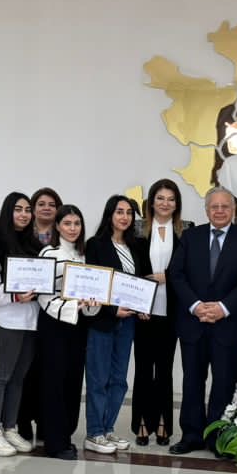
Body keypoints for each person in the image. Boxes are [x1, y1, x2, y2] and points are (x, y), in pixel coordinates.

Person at [169, 187, 237, 454]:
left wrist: (223, 307)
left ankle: (218, 438)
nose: (219, 211)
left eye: (225, 206)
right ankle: (191, 435)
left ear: (233, 210)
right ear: (206, 210)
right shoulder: (190, 237)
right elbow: (176, 274)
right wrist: (195, 306)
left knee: (224, 383)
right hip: (193, 323)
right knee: (192, 382)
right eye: (214, 206)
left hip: (229, 325)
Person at [85, 195, 150, 455]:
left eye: (129, 212)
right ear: (109, 214)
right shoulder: (96, 245)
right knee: (98, 379)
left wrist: (142, 307)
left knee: (119, 380)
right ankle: (94, 433)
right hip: (103, 321)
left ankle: (108, 428)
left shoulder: (137, 246)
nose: (125, 217)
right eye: (119, 211)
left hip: (128, 322)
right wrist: (113, 310)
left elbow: (140, 283)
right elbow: (93, 284)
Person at [0, 191, 40, 456]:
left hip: (30, 321)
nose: (24, 214)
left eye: (27, 209)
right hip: (4, 320)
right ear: (7, 212)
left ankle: (10, 428)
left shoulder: (34, 246)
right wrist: (13, 296)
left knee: (17, 379)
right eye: (18, 209)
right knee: (0, 376)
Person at [37, 205, 97, 459]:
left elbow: (91, 294)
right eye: (67, 223)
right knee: (55, 383)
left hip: (78, 327)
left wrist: (91, 304)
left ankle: (66, 435)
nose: (73, 228)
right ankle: (55, 442)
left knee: (73, 382)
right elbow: (43, 295)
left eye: (77, 223)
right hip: (55, 325)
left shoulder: (83, 255)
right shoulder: (48, 253)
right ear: (57, 226)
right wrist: (73, 306)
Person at [132, 178, 187, 445]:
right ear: (151, 202)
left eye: (171, 199)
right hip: (144, 311)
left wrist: (167, 277)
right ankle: (142, 423)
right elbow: (131, 270)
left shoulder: (186, 232)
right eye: (161, 198)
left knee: (164, 370)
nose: (166, 203)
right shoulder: (137, 231)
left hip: (172, 312)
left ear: (177, 205)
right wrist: (138, 304)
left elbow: (189, 270)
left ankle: (164, 422)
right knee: (143, 369)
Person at [16, 186, 62, 442]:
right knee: (25, 369)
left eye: (52, 205)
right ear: (33, 209)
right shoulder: (21, 237)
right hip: (25, 311)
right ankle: (22, 421)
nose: (46, 208)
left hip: (53, 315)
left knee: (49, 370)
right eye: (41, 204)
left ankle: (46, 422)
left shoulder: (65, 236)